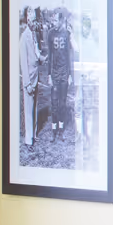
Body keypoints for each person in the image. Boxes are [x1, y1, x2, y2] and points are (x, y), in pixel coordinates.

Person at [46, 8, 77, 138]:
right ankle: (53, 131)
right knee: (54, 103)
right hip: (54, 73)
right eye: (52, 19)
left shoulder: (66, 34)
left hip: (64, 73)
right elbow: (49, 55)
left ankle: (60, 130)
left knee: (63, 104)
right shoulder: (50, 34)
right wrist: (49, 75)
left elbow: (70, 55)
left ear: (60, 20)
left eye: (55, 19)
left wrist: (70, 74)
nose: (53, 22)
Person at [19, 9, 41, 146]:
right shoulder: (24, 37)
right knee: (28, 109)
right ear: (28, 20)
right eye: (32, 21)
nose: (34, 23)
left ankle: (34, 134)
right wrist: (26, 83)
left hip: (36, 76)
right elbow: (23, 63)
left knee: (35, 107)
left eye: (35, 20)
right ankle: (28, 141)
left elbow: (36, 52)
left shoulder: (34, 35)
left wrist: (41, 57)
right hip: (29, 79)